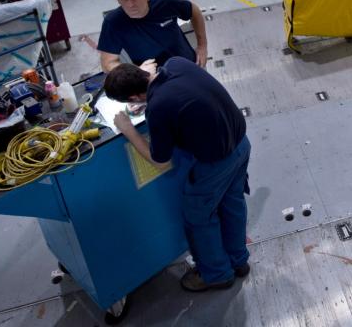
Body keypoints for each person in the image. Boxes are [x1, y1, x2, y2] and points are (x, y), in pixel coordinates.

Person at [105, 58, 251, 292]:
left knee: (199, 217)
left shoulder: (158, 107)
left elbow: (159, 160)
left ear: (133, 98)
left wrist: (128, 129)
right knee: (232, 203)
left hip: (215, 163)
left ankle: (216, 275)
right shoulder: (177, 64)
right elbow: (176, 93)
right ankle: (239, 260)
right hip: (241, 143)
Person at [97, 0, 208, 72]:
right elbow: (107, 64)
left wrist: (202, 46)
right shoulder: (113, 22)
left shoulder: (166, 3)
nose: (130, 5)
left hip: (191, 67)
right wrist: (136, 72)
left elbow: (194, 10)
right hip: (156, 82)